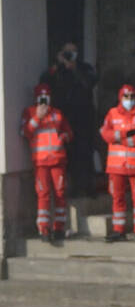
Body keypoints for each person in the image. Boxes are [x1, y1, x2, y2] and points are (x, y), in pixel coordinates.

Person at [40, 42, 98, 198]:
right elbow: (44, 81)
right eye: (67, 53)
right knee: (68, 152)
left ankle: (87, 186)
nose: (70, 56)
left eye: (73, 52)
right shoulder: (57, 70)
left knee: (85, 150)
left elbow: (90, 83)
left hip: (84, 116)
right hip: (66, 116)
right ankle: (71, 187)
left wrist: (74, 69)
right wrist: (58, 65)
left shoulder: (84, 68)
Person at [21, 84, 73, 244]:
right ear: (36, 98)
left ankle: (59, 228)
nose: (44, 101)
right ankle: (44, 229)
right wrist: (37, 117)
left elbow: (69, 133)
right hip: (41, 162)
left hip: (57, 160)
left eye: (46, 97)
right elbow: (24, 132)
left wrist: (63, 137)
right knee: (43, 195)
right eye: (41, 97)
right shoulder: (29, 112)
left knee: (59, 193)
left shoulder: (57, 114)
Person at [100, 84, 135, 243]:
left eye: (132, 97)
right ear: (120, 98)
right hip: (116, 167)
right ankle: (118, 230)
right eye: (126, 97)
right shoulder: (112, 113)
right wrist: (123, 134)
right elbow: (104, 133)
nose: (129, 100)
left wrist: (126, 140)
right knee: (117, 197)